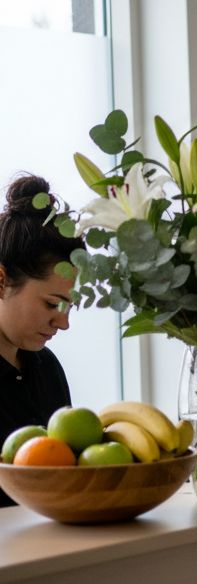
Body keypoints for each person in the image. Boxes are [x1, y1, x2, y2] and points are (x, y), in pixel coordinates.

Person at [0, 175, 79, 503]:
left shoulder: (47, 367)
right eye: (51, 304)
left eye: (69, 307)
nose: (63, 323)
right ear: (1, 280)